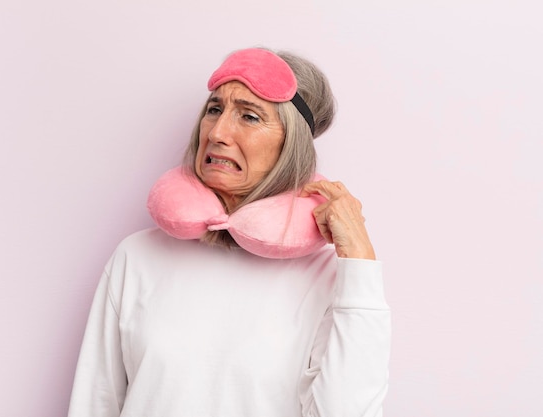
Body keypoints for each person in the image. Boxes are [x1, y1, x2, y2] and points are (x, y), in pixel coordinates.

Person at [67, 47, 391, 417]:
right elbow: (95, 403)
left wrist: (361, 267)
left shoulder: (331, 276)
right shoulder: (137, 255)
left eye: (249, 117)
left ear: (291, 145)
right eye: (214, 109)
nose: (218, 133)